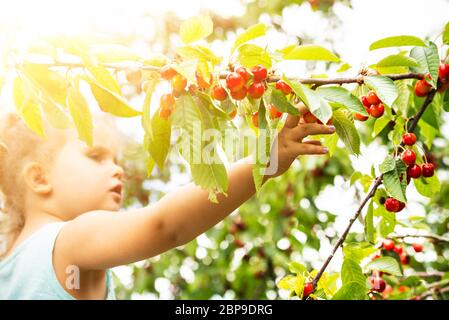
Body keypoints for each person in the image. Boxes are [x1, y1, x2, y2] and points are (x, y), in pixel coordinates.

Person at [0, 108, 335, 299]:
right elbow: (165, 227)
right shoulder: (71, 240)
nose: (116, 168)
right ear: (39, 178)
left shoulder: (9, 263)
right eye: (95, 157)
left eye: (115, 159)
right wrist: (265, 162)